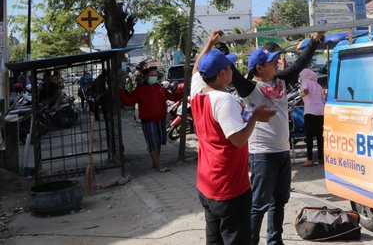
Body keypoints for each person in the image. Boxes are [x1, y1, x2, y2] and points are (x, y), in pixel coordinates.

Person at [231, 31, 325, 245]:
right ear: (259, 68)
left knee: (279, 201)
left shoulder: (280, 82)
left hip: (282, 152)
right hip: (262, 155)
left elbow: (300, 64)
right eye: (272, 62)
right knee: (259, 204)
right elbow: (234, 74)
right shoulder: (250, 88)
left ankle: (275, 241)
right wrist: (216, 49)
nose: (277, 64)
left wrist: (313, 41)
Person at [190, 30, 276, 245]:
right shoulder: (223, 100)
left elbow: (196, 69)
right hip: (229, 187)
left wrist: (208, 45)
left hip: (207, 184)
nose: (232, 70)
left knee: (215, 240)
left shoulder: (199, 91)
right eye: (229, 67)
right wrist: (255, 117)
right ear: (221, 73)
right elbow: (238, 140)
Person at [119, 66, 182, 171]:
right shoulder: (140, 89)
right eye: (152, 75)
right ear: (146, 76)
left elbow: (171, 96)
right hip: (148, 121)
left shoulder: (160, 87)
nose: (154, 77)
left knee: (158, 141)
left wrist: (182, 93)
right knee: (152, 142)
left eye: (155, 75)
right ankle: (158, 165)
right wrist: (121, 93)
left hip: (160, 119)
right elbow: (129, 101)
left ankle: (155, 162)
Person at [298, 68, 325, 167]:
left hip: (310, 111)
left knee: (309, 136)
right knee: (319, 136)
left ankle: (309, 160)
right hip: (321, 111)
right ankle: (321, 158)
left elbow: (305, 91)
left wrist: (300, 95)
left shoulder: (305, 81)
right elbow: (322, 99)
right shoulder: (318, 85)